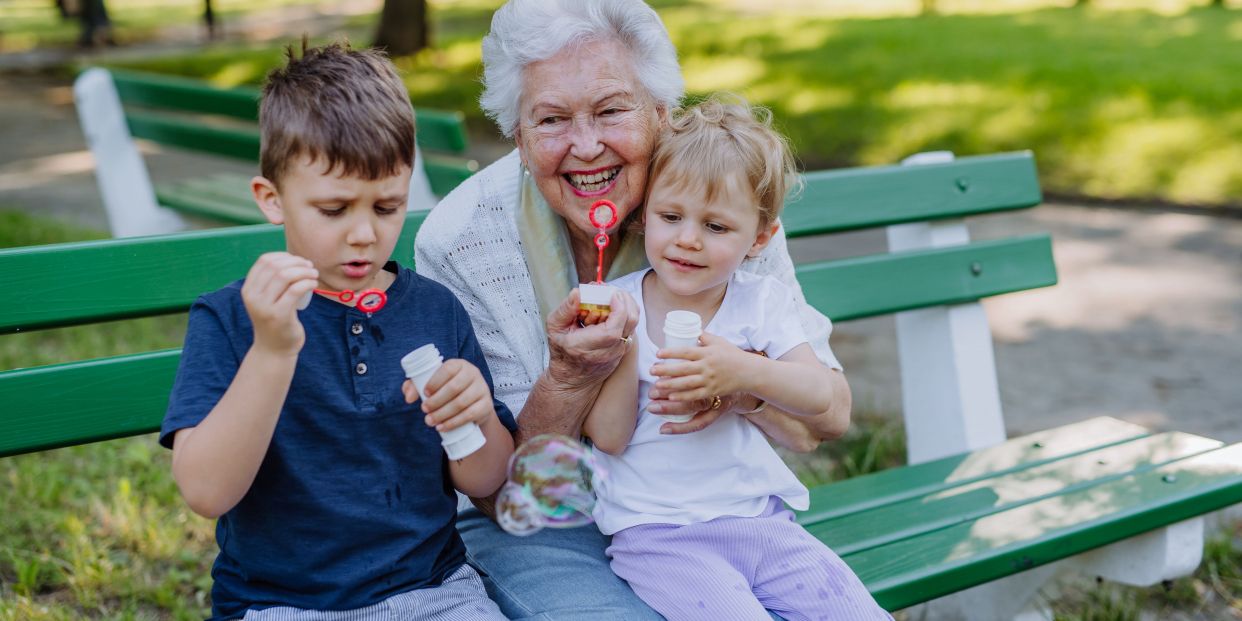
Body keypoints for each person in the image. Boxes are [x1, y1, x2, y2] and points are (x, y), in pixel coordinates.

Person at [415, 0, 851, 618]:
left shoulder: (718, 212)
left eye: (612, 110)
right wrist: (569, 377)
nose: (586, 147)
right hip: (540, 530)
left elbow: (815, 423)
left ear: (661, 115)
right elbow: (504, 494)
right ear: (518, 136)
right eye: (552, 120)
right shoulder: (461, 240)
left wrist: (733, 387)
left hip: (712, 515)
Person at [159, 42, 515, 621]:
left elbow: (485, 480)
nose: (364, 235)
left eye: (386, 207)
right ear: (272, 200)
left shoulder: (435, 310)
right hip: (280, 604)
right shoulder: (232, 319)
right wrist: (273, 351)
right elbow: (206, 492)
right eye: (334, 209)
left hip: (434, 593)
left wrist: (473, 414)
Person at [582, 96, 891, 621]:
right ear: (642, 216)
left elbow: (822, 396)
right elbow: (608, 439)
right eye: (671, 216)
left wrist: (745, 372)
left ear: (760, 238)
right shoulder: (618, 303)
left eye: (716, 227)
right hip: (661, 536)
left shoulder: (759, 302)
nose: (687, 240)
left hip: (762, 524)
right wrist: (622, 348)